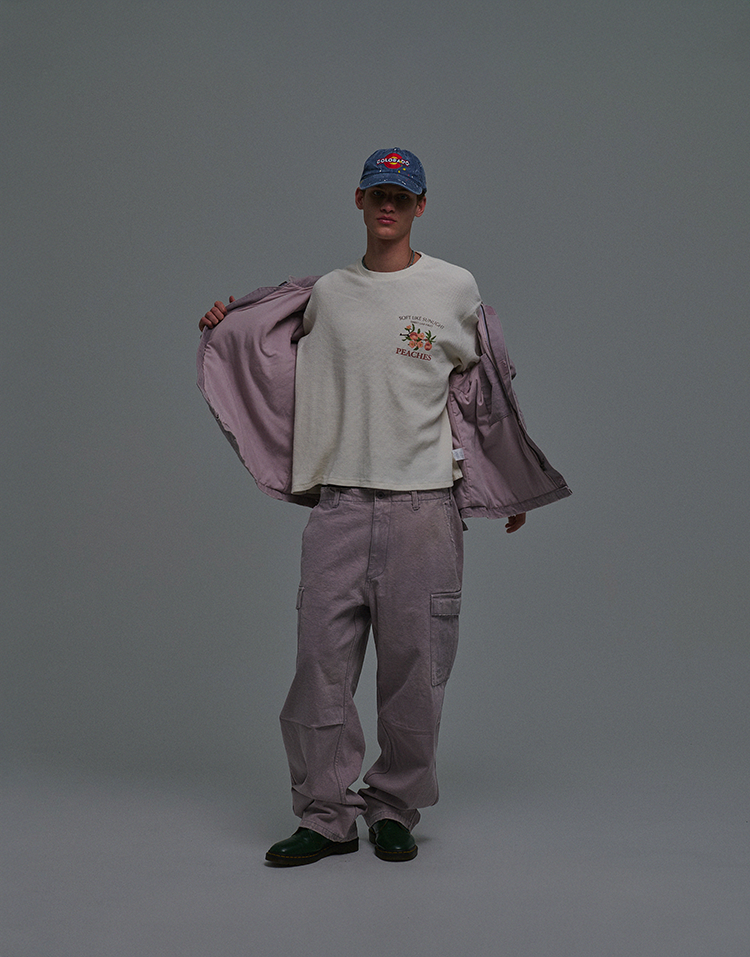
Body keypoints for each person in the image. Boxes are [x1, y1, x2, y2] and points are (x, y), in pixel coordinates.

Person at [198, 148, 570, 866]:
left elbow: (487, 393)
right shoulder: (328, 294)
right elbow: (260, 347)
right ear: (359, 200)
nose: (388, 205)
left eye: (402, 194)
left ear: (421, 205)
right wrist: (227, 321)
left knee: (415, 675)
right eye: (378, 193)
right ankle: (325, 816)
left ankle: (394, 808)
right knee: (319, 672)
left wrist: (505, 483)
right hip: (339, 507)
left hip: (424, 511)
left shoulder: (454, 287)